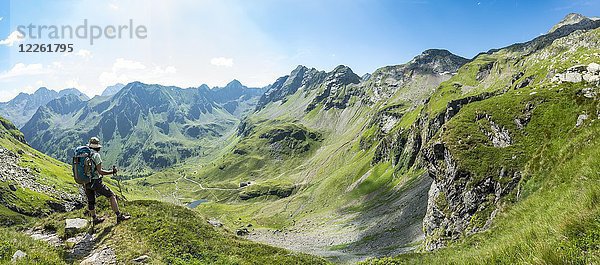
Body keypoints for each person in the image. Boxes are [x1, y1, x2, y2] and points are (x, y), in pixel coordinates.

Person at [85, 137, 130, 224]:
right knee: (111, 195)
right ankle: (119, 216)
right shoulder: (96, 155)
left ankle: (94, 219)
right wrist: (112, 172)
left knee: (91, 201)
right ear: (97, 147)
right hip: (95, 181)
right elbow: (100, 171)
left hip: (86, 181)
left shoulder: (85, 154)